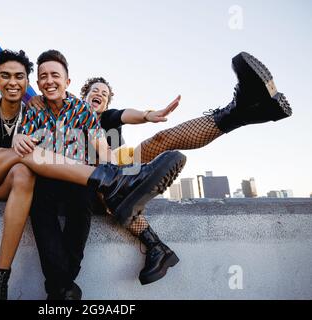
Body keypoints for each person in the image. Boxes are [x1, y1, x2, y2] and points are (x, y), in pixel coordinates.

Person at [27, 51, 292, 286]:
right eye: (94, 91)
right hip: (83, 190)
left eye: (105, 94)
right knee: (112, 188)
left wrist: (146, 115)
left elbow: (126, 114)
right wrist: (37, 99)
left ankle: (240, 111)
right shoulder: (61, 112)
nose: (99, 94)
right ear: (80, 94)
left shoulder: (107, 119)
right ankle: (155, 245)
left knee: (158, 141)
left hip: (118, 176)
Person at [9, 49, 186, 300]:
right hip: (46, 178)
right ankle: (64, 284)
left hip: (80, 178)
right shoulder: (34, 109)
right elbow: (25, 141)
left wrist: (115, 171)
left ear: (67, 81)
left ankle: (60, 287)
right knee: (38, 204)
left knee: (84, 200)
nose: (49, 80)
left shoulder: (83, 110)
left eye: (55, 75)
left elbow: (102, 144)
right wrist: (21, 137)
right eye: (44, 76)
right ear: (37, 83)